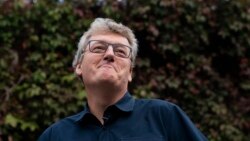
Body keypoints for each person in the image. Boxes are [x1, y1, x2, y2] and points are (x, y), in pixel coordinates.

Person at [38, 18, 208, 141]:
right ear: (79, 66)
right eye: (98, 48)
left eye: (120, 52)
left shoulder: (164, 117)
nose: (110, 54)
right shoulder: (55, 136)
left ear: (130, 72)